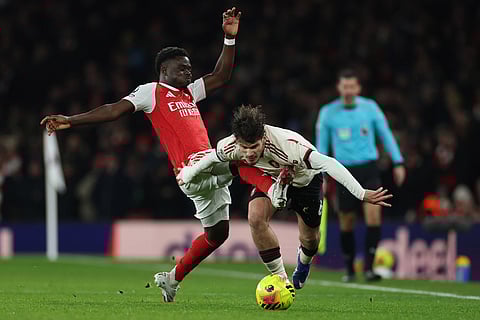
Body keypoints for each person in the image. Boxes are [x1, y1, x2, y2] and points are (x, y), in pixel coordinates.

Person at [40, 8, 286, 303]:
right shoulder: (151, 91)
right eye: (182, 68)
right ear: (164, 70)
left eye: (190, 68)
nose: (188, 72)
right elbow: (113, 110)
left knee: (218, 234)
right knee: (239, 154)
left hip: (209, 169)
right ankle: (276, 188)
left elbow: (221, 76)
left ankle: (171, 279)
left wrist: (229, 38)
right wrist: (70, 120)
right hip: (192, 170)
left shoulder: (190, 93)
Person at [176, 104, 393, 290]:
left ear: (263, 138)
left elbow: (329, 163)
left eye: (254, 147)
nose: (249, 153)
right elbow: (211, 159)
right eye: (244, 148)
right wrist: (188, 174)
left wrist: (361, 193)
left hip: (305, 183)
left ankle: (304, 262)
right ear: (237, 142)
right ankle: (281, 278)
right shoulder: (230, 145)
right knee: (256, 218)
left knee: (310, 239)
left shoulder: (288, 146)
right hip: (272, 180)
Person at [315, 69, 406, 282]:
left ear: (358, 88)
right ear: (339, 88)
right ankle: (349, 269)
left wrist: (398, 162)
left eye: (351, 86)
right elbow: (321, 147)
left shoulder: (370, 108)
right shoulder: (328, 113)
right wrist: (321, 175)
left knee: (373, 215)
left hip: (369, 169)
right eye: (344, 86)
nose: (348, 90)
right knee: (347, 221)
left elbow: (386, 135)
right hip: (343, 172)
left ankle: (369, 268)